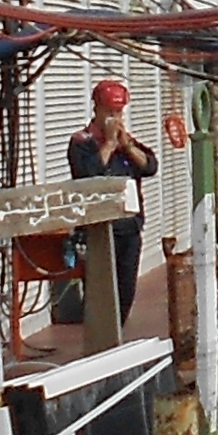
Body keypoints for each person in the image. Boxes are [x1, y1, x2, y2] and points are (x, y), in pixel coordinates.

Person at [60, 77, 157, 335]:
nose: (115, 118)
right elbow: (88, 173)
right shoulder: (82, 142)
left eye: (119, 112)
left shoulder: (127, 144)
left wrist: (125, 146)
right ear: (97, 109)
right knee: (101, 291)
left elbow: (149, 166)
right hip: (100, 231)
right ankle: (100, 339)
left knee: (126, 288)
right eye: (110, 112)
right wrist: (109, 144)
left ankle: (118, 333)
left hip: (129, 228)